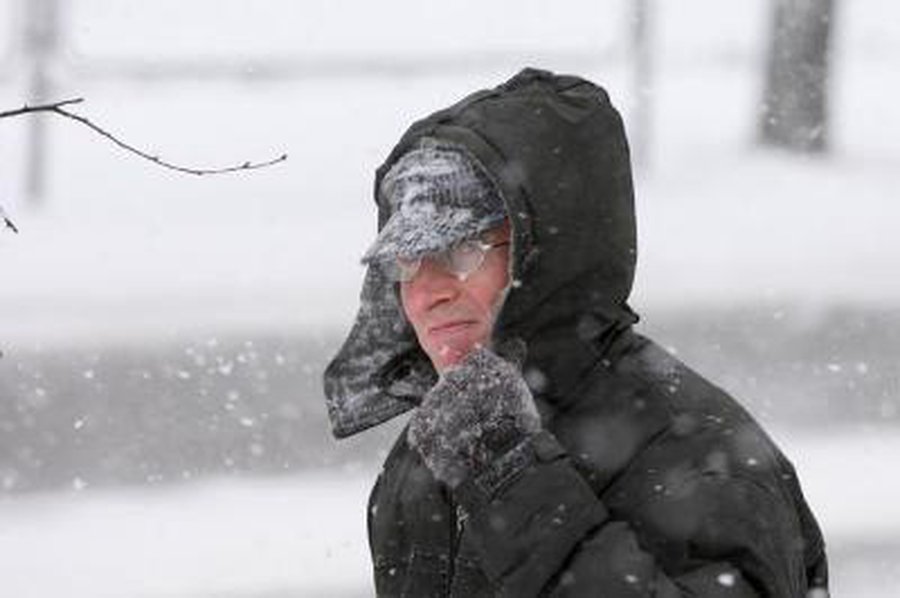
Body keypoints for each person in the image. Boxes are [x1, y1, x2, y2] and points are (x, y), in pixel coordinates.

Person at [324, 68, 828, 597]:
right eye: (407, 263)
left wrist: (513, 481)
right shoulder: (436, 447)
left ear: (549, 258)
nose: (426, 294)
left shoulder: (702, 458)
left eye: (459, 251)